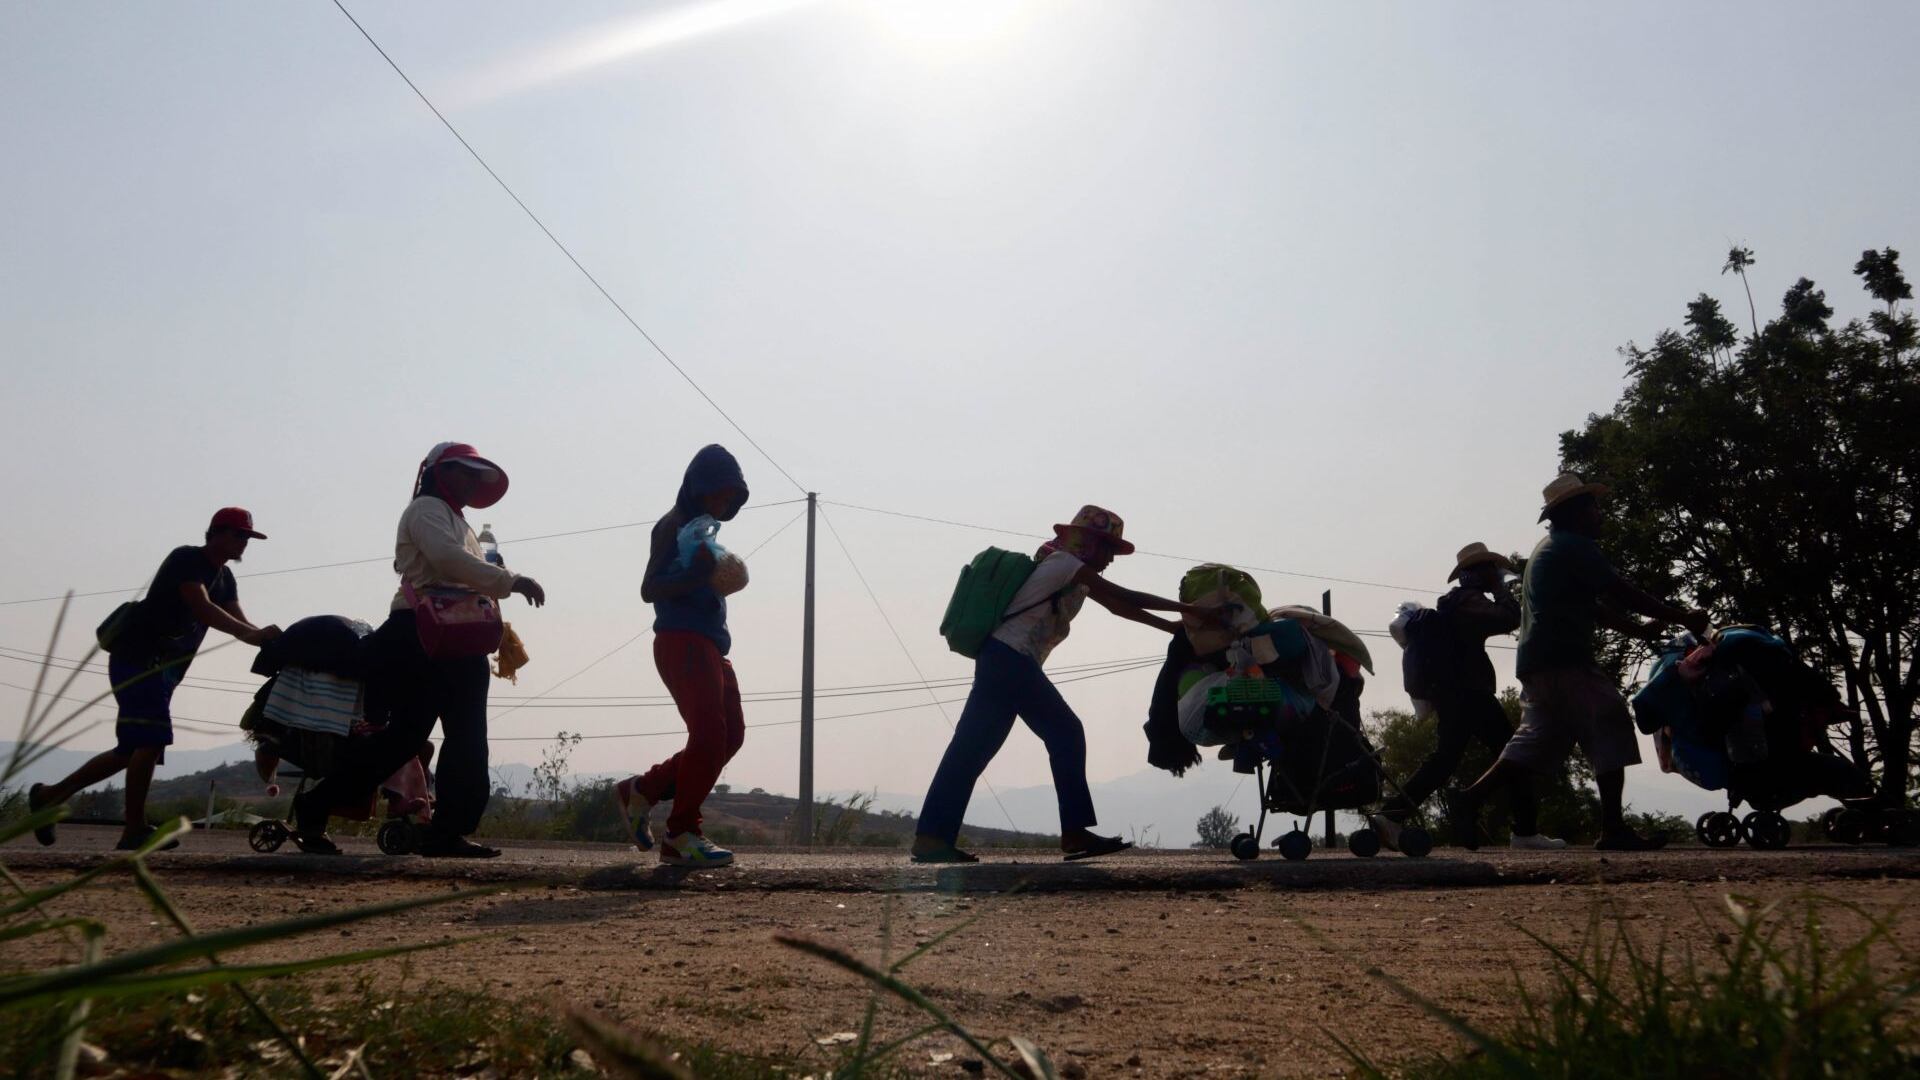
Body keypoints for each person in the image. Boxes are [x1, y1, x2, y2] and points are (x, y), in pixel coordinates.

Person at [911, 506, 1224, 864]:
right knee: (1066, 732)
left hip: (1000, 659)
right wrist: (1193, 610)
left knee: (971, 750)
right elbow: (1127, 595)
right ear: (1087, 544)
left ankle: (931, 838)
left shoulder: (1072, 573)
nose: (1109, 558)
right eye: (1107, 549)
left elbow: (1120, 608)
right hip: (1010, 659)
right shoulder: (1063, 564)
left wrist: (1171, 627)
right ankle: (1074, 833)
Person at [292, 442, 545, 857]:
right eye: (464, 473)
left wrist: (497, 582)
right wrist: (509, 580)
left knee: (466, 737)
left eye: (475, 476)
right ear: (440, 474)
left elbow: (465, 570)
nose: (471, 482)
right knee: (406, 739)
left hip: (457, 632)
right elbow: (446, 560)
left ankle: (448, 830)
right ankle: (318, 804)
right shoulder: (425, 510)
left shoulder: (460, 523)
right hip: (419, 631)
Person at [1447, 473, 1709, 851]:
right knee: (1609, 719)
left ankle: (1469, 798)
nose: (1600, 515)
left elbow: (1595, 607)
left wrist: (1640, 632)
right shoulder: (1574, 546)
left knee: (1535, 741)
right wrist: (1681, 617)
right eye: (1594, 507)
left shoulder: (1549, 548)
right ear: (1574, 512)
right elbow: (1621, 592)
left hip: (1538, 661)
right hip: (1564, 658)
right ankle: (1614, 828)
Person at [30, 509, 281, 850]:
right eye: (240, 536)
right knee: (151, 740)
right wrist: (251, 635)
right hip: (139, 659)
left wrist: (269, 639)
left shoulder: (225, 579)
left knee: (132, 748)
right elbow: (202, 607)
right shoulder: (187, 559)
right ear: (217, 533)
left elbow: (240, 622)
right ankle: (133, 830)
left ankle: (50, 795)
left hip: (164, 670)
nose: (244, 544)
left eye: (248, 538)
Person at [1374, 542, 1565, 851]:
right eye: (1490, 569)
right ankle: (1525, 830)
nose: (1495, 573)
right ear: (1475, 573)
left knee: (1446, 759)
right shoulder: (1466, 601)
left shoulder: (1456, 603)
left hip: (1455, 692)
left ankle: (1392, 814)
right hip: (1469, 692)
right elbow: (1509, 617)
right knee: (1514, 753)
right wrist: (1500, 589)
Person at [615, 444, 751, 868]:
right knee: (709, 735)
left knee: (730, 736)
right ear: (698, 488)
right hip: (681, 640)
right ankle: (682, 834)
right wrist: (694, 576)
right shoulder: (671, 526)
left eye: (730, 498)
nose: (723, 503)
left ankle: (644, 790)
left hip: (711, 643)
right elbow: (648, 589)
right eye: (718, 494)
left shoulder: (702, 531)